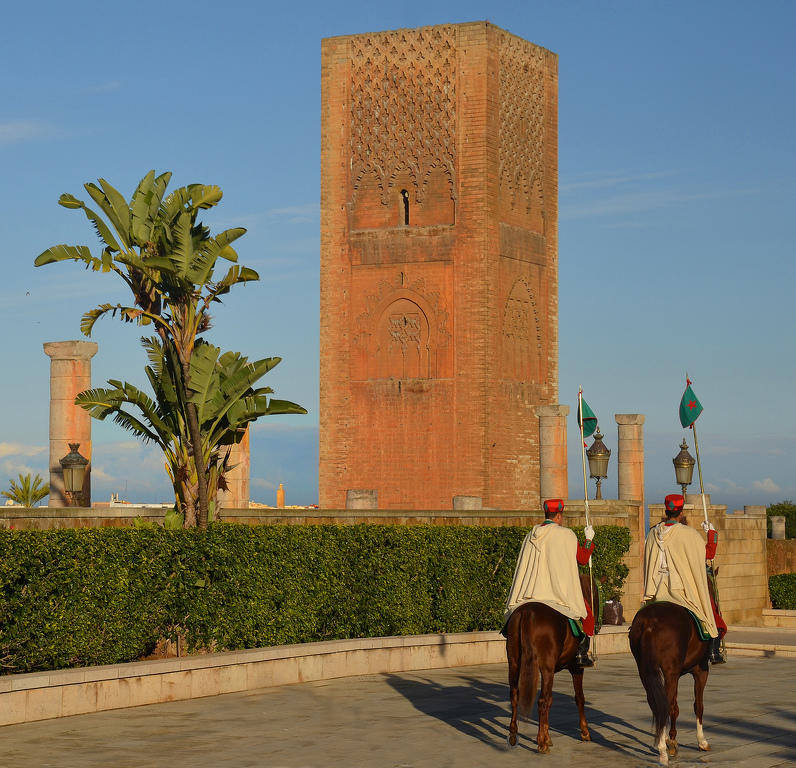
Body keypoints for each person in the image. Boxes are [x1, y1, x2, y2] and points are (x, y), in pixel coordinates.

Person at [504, 499, 596, 667]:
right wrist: (588, 539)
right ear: (559, 516)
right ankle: (580, 655)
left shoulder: (530, 535)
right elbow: (583, 559)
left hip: (530, 592)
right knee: (587, 615)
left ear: (546, 514)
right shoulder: (566, 534)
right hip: (556, 592)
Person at [644, 494, 727, 664]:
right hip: (681, 589)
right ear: (681, 513)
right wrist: (712, 534)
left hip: (657, 588)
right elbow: (708, 554)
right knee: (711, 615)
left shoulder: (653, 533)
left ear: (666, 511)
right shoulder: (689, 534)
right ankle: (714, 652)